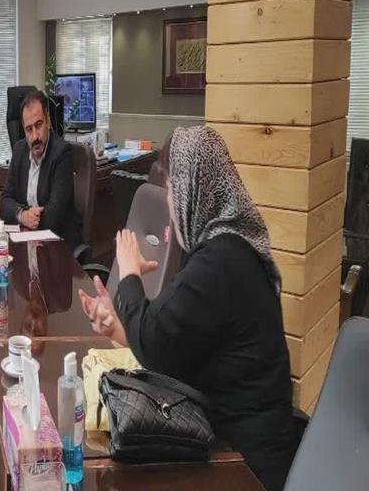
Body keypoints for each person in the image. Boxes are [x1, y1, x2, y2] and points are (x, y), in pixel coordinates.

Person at [78, 126, 296, 491]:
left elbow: (155, 343)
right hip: (230, 439)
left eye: (170, 190)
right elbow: (173, 341)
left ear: (193, 190)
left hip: (243, 464)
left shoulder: (219, 263)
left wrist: (129, 273)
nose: (169, 203)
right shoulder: (228, 249)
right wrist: (118, 326)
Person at [0, 90, 80, 248]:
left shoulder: (62, 153)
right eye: (29, 129)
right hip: (27, 242)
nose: (35, 136)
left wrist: (29, 217)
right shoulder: (19, 150)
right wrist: (23, 215)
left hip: (58, 245)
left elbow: (53, 216)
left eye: (38, 125)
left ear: (47, 121)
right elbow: (4, 203)